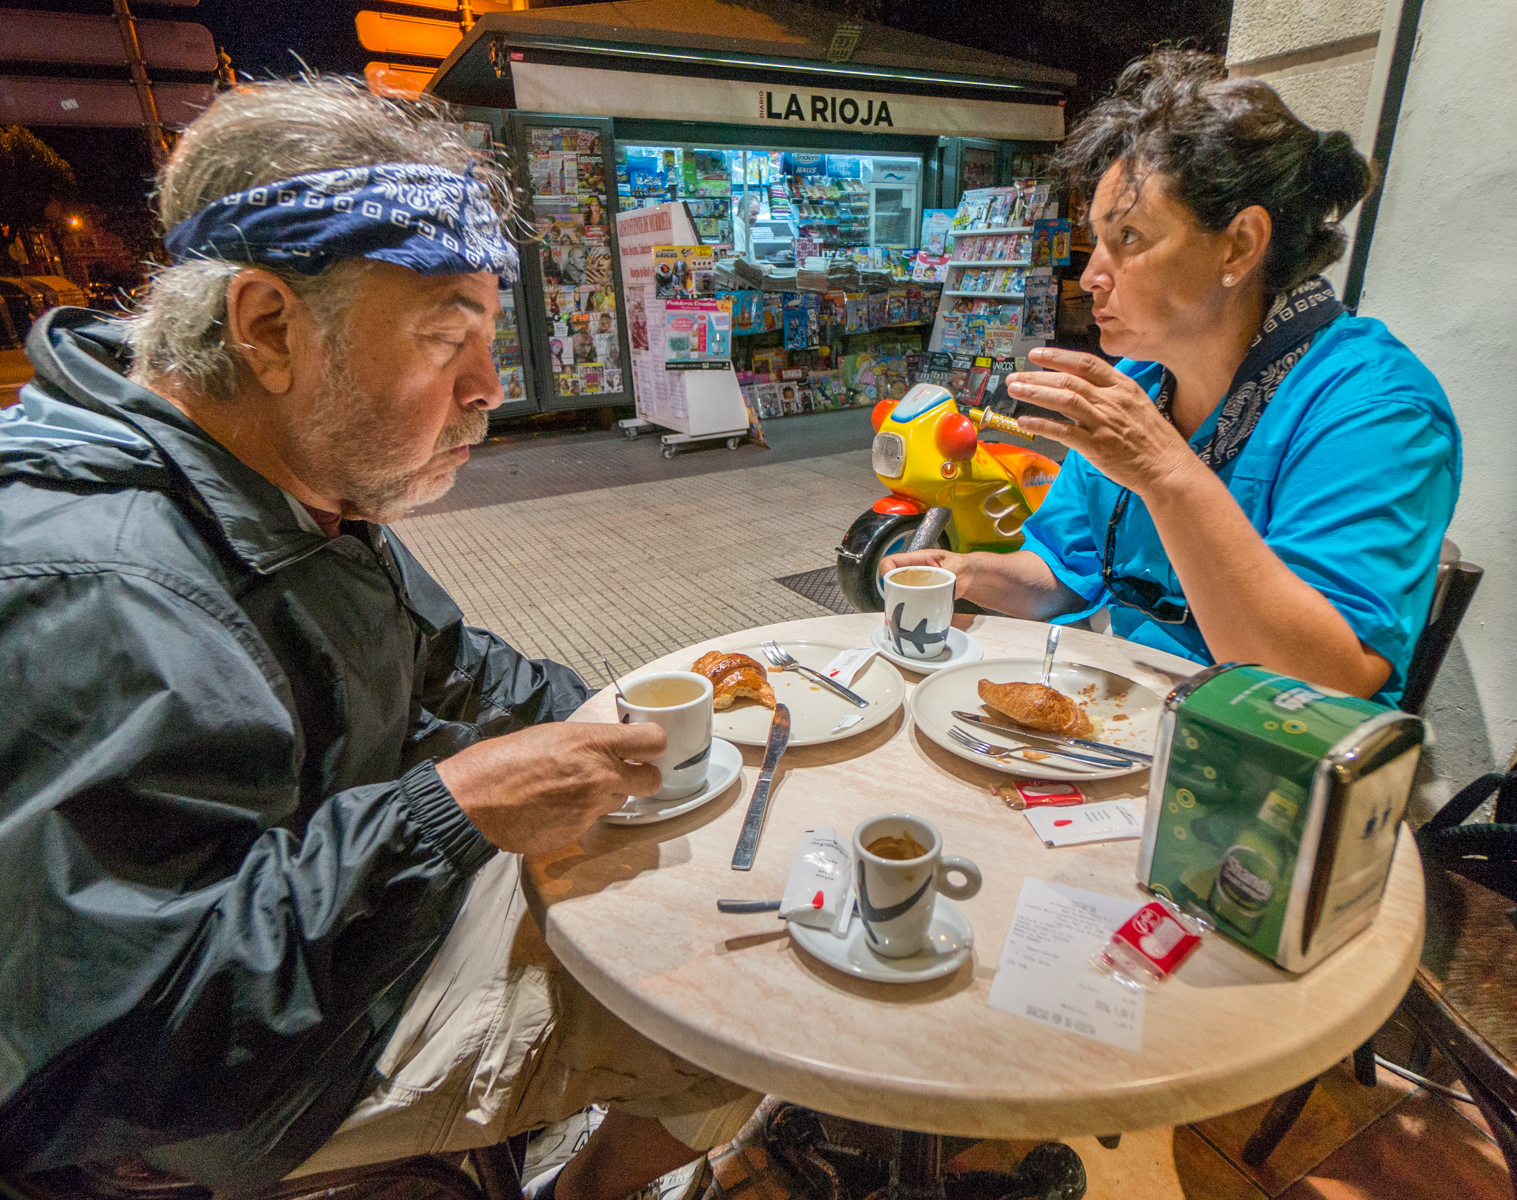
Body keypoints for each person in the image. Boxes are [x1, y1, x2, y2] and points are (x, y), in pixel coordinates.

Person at [0, 78, 756, 1194]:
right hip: (234, 1100)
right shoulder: (95, 590)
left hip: (352, 928)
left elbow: (459, 673)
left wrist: (634, 728)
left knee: (710, 877)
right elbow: (113, 1056)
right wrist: (443, 816)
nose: (489, 390)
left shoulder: (289, 487)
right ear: (265, 328)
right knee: (731, 997)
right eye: (444, 339)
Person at [886, 50, 1460, 706]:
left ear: (1238, 245)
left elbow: (1322, 683)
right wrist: (965, 571)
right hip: (1115, 719)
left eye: (1127, 238)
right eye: (1097, 242)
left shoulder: (1373, 409)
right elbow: (1061, 572)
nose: (1092, 277)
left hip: (1257, 767)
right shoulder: (1140, 381)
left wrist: (1164, 471)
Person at [732, 193, 764, 262]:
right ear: (742, 210)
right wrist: (760, 266)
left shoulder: (745, 229)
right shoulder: (736, 229)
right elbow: (739, 260)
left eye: (757, 214)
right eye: (753, 213)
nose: (755, 218)